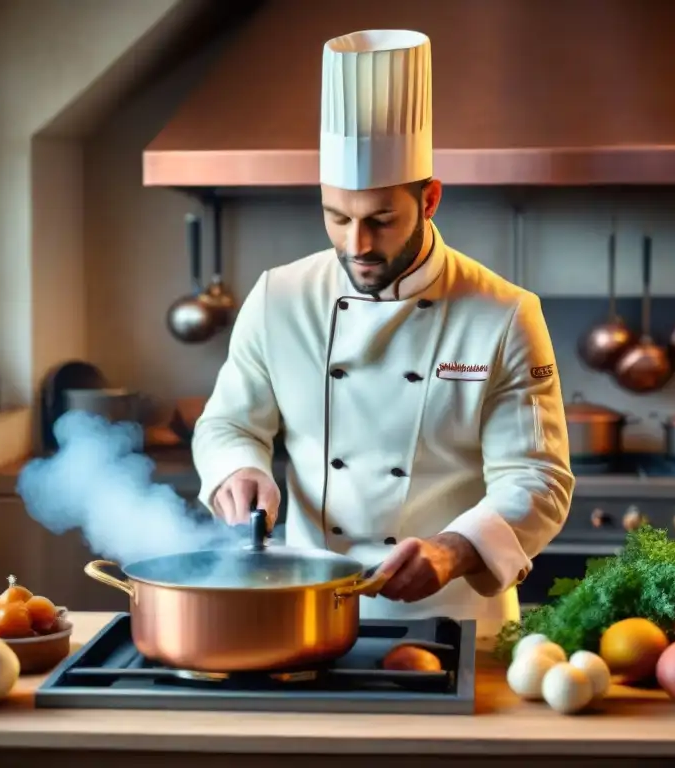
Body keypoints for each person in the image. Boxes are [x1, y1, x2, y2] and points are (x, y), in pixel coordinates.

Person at [192, 29, 574, 637]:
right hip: (306, 608)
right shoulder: (279, 297)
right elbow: (230, 423)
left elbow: (538, 478)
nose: (356, 245)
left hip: (455, 617)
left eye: (380, 220)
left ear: (430, 200)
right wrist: (237, 470)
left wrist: (454, 549)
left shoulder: (503, 313)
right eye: (336, 217)